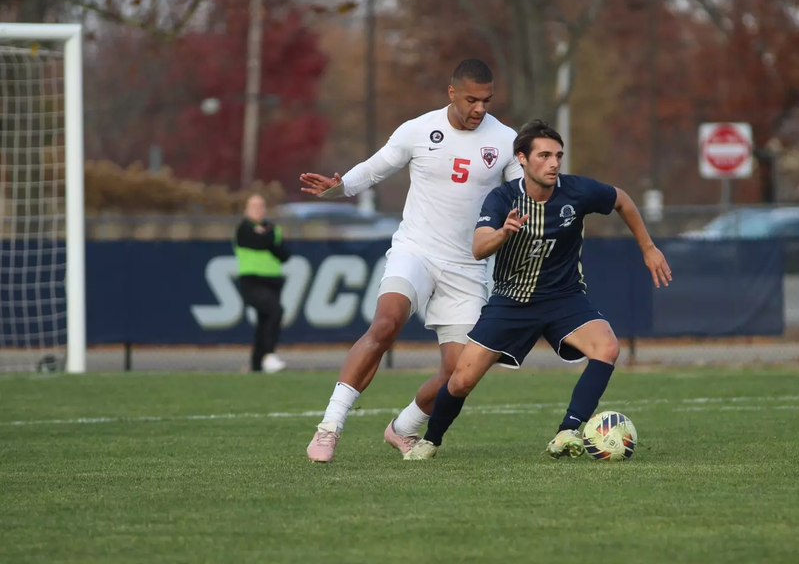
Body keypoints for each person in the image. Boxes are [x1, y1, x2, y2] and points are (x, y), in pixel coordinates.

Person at [403, 120, 672, 461]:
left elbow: (622, 200)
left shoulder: (577, 191)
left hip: (564, 298)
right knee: (460, 381)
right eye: (544, 155)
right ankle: (431, 440)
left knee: (607, 347)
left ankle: (567, 432)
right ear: (522, 159)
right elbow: (478, 247)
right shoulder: (503, 198)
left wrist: (648, 248)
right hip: (511, 302)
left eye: (558, 155)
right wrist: (504, 232)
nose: (554, 163)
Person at [298, 59, 522, 462]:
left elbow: (524, 192)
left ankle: (402, 428)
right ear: (451, 93)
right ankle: (329, 427)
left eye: (486, 100)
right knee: (385, 324)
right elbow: (375, 169)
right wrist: (339, 186)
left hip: (468, 268)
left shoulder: (505, 140)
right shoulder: (418, 129)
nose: (479, 109)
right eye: (471, 99)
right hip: (416, 250)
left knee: (460, 373)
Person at [234, 194, 291, 373]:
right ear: (247, 210)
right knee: (275, 310)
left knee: (264, 320)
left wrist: (266, 238)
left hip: (273, 280)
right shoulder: (243, 228)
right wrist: (267, 238)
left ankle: (256, 364)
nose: (258, 210)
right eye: (254, 206)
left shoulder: (273, 229)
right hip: (251, 281)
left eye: (261, 206)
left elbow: (284, 254)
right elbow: (259, 243)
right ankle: (269, 355)